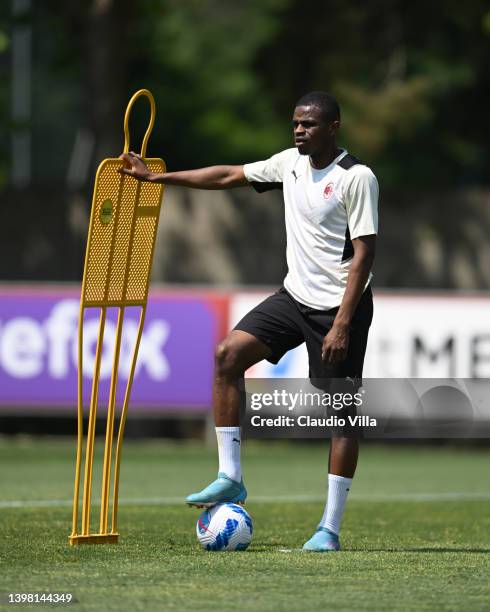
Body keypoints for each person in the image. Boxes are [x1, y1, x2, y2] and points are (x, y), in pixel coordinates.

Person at [119, 91, 378, 552]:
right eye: (296, 122)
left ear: (333, 127)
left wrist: (341, 324)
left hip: (339, 310)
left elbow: (364, 255)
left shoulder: (356, 177)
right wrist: (156, 177)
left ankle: (329, 530)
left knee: (340, 417)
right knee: (227, 355)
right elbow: (227, 175)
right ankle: (230, 478)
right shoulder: (288, 164)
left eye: (309, 124)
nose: (299, 130)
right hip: (293, 298)